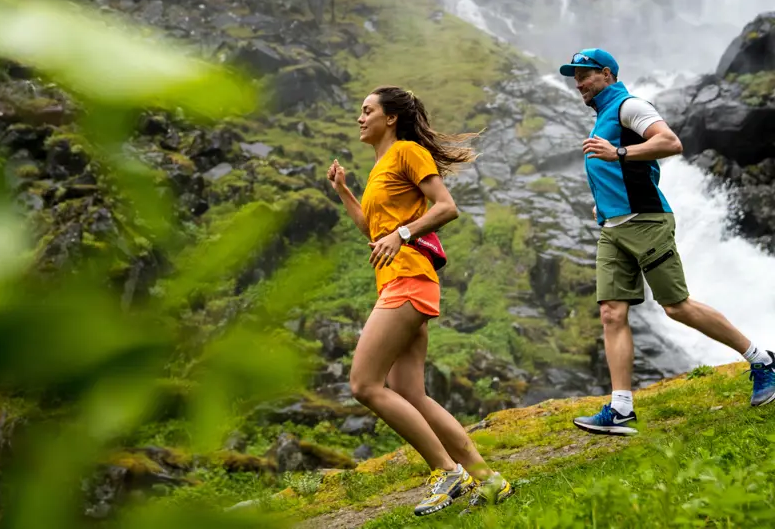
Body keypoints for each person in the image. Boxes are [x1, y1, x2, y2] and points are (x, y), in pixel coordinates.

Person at [558, 48, 775, 435]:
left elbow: (671, 143)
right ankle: (621, 408)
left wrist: (619, 150)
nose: (579, 83)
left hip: (646, 221)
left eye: (585, 75)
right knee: (612, 312)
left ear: (607, 74)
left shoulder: (629, 106)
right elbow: (615, 171)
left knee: (676, 307)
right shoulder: (603, 117)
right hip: (613, 228)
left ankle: (761, 361)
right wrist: (602, 203)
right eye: (574, 77)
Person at [327, 86, 513, 515]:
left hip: (408, 279)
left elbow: (446, 208)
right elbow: (375, 232)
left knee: (365, 384)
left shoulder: (408, 151)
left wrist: (404, 234)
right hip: (399, 280)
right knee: (410, 391)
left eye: (367, 110)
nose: (360, 118)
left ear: (390, 118)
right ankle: (489, 482)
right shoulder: (380, 165)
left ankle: (446, 472)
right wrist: (344, 191)